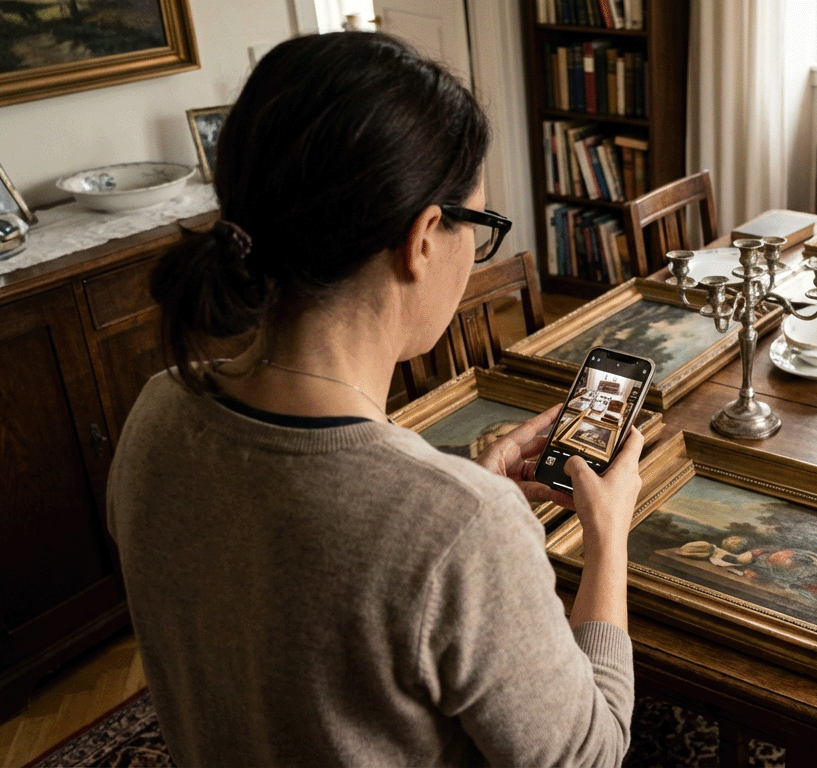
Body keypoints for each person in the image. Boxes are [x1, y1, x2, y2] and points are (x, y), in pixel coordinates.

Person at [106, 31, 642, 767]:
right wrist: (607, 535)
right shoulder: (463, 528)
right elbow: (590, 755)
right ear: (424, 238)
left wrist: (461, 493)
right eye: (481, 225)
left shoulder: (156, 413)